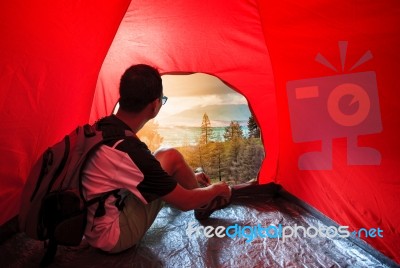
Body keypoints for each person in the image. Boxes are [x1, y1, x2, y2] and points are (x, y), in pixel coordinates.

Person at [81, 64, 232, 253]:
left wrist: (187, 177)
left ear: (122, 98)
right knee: (172, 158)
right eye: (163, 100)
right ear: (154, 105)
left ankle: (198, 191)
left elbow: (140, 171)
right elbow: (184, 202)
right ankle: (204, 205)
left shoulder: (105, 128)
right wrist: (217, 189)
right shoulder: (128, 150)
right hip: (111, 236)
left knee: (166, 154)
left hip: (91, 220)